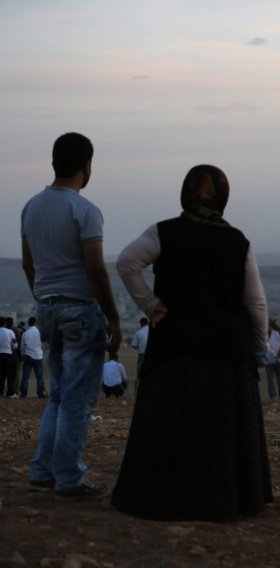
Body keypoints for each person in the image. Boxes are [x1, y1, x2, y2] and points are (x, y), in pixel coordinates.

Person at [111, 164, 272, 521]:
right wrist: (260, 348)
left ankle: (163, 498)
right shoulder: (237, 241)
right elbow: (256, 302)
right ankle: (226, 499)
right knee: (222, 431)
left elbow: (126, 262)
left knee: (170, 425)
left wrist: (150, 304)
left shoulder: (164, 232)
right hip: (228, 352)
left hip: (174, 346)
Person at [22, 132, 122, 499]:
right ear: (87, 166)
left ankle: (42, 470)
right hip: (80, 308)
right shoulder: (85, 210)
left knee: (59, 395)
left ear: (53, 163)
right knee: (77, 400)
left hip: (46, 306)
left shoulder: (31, 207)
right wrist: (112, 317)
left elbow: (28, 264)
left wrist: (42, 297)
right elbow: (95, 270)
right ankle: (69, 478)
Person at [20, 316, 46, 398]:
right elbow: (43, 344)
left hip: (28, 356)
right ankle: (40, 393)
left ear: (29, 323)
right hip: (38, 356)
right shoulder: (40, 332)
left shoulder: (25, 333)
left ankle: (23, 394)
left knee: (25, 377)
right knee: (39, 377)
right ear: (35, 323)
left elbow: (22, 347)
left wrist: (23, 355)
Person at [265, 316, 280, 399]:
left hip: (269, 359)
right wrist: (278, 356)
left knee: (270, 379)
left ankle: (272, 396)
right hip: (279, 359)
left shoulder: (266, 332)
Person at [0, 318, 17, 397]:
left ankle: (0, 392)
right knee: (10, 375)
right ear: (5, 323)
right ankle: (9, 393)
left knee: (1, 375)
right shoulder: (10, 332)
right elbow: (15, 345)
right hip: (8, 355)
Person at [130, 316, 149, 387]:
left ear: (141, 324)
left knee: (140, 375)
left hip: (142, 356)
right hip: (152, 355)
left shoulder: (139, 332)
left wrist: (140, 345)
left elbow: (134, 345)